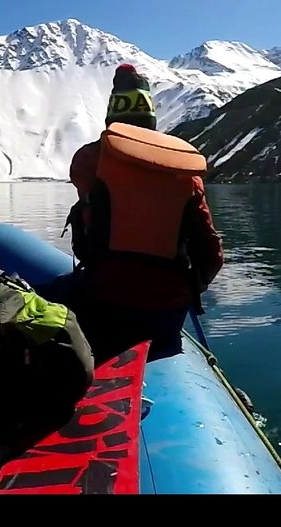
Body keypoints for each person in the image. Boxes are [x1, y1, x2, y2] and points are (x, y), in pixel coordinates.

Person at [58, 63, 224, 363]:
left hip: (101, 304)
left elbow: (87, 232)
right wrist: (184, 289)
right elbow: (211, 254)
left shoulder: (88, 162)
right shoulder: (186, 174)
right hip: (166, 315)